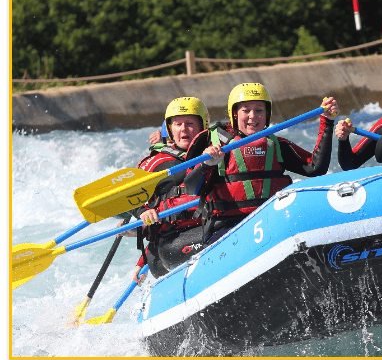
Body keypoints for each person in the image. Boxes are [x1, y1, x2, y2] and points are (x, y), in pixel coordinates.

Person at [184, 83, 338, 240]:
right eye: (246, 110)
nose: (253, 116)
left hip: (272, 221)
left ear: (267, 114)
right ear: (235, 114)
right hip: (228, 227)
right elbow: (192, 189)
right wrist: (206, 165)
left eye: (259, 110)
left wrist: (328, 122)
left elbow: (315, 168)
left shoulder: (276, 145)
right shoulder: (217, 147)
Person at [125, 97, 210, 282]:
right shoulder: (158, 162)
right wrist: (142, 212)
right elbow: (125, 195)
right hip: (170, 246)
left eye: (189, 123)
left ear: (203, 125)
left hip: (204, 229)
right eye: (178, 124)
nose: (183, 129)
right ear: (170, 129)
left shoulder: (214, 155)